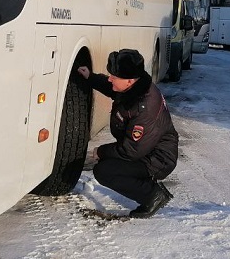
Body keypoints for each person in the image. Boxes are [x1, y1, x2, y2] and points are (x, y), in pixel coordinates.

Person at [77, 49, 179, 218]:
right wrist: (91, 77)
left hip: (158, 158)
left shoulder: (144, 107)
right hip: (146, 149)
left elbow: (132, 150)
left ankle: (153, 195)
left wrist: (100, 151)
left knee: (104, 171)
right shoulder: (134, 88)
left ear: (130, 81)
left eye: (114, 76)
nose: (110, 79)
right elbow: (111, 87)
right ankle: (146, 186)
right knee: (108, 161)